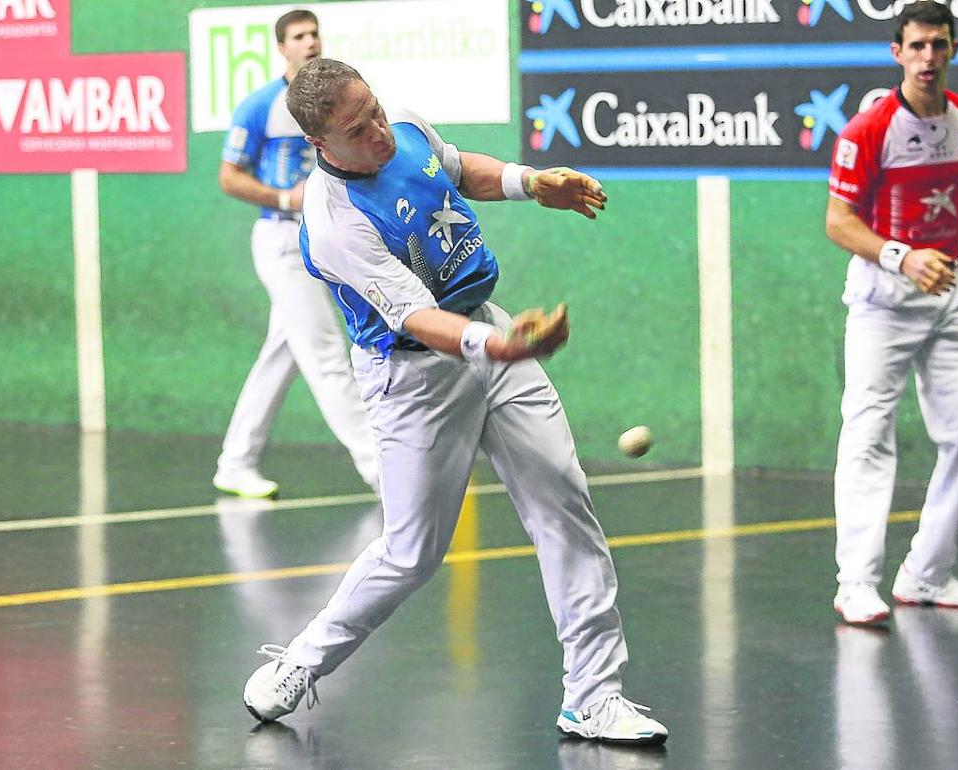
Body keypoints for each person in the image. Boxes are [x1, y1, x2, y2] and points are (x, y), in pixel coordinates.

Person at [240, 58, 668, 746]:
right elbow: (415, 320)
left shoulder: (401, 125)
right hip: (414, 381)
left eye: (375, 111)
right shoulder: (333, 222)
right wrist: (495, 348)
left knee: (565, 501)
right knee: (411, 553)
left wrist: (533, 184)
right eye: (359, 128)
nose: (379, 130)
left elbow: (452, 168)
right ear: (322, 146)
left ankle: (593, 696)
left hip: (491, 334)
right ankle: (301, 662)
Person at [826, 2, 958, 625]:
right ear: (898, 53)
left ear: (952, 50)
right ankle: (855, 584)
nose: (927, 58)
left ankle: (927, 573)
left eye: (938, 46)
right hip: (881, 304)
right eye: (916, 46)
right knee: (868, 438)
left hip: (948, 297)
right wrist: (901, 257)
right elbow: (839, 222)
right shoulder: (867, 131)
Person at [214, 9, 378, 498]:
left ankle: (235, 461)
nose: (310, 42)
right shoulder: (259, 106)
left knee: (284, 350)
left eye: (314, 34)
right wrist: (289, 198)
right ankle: (383, 473)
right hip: (283, 241)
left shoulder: (332, 103)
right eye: (298, 37)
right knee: (327, 354)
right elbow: (229, 177)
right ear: (281, 47)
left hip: (326, 239)